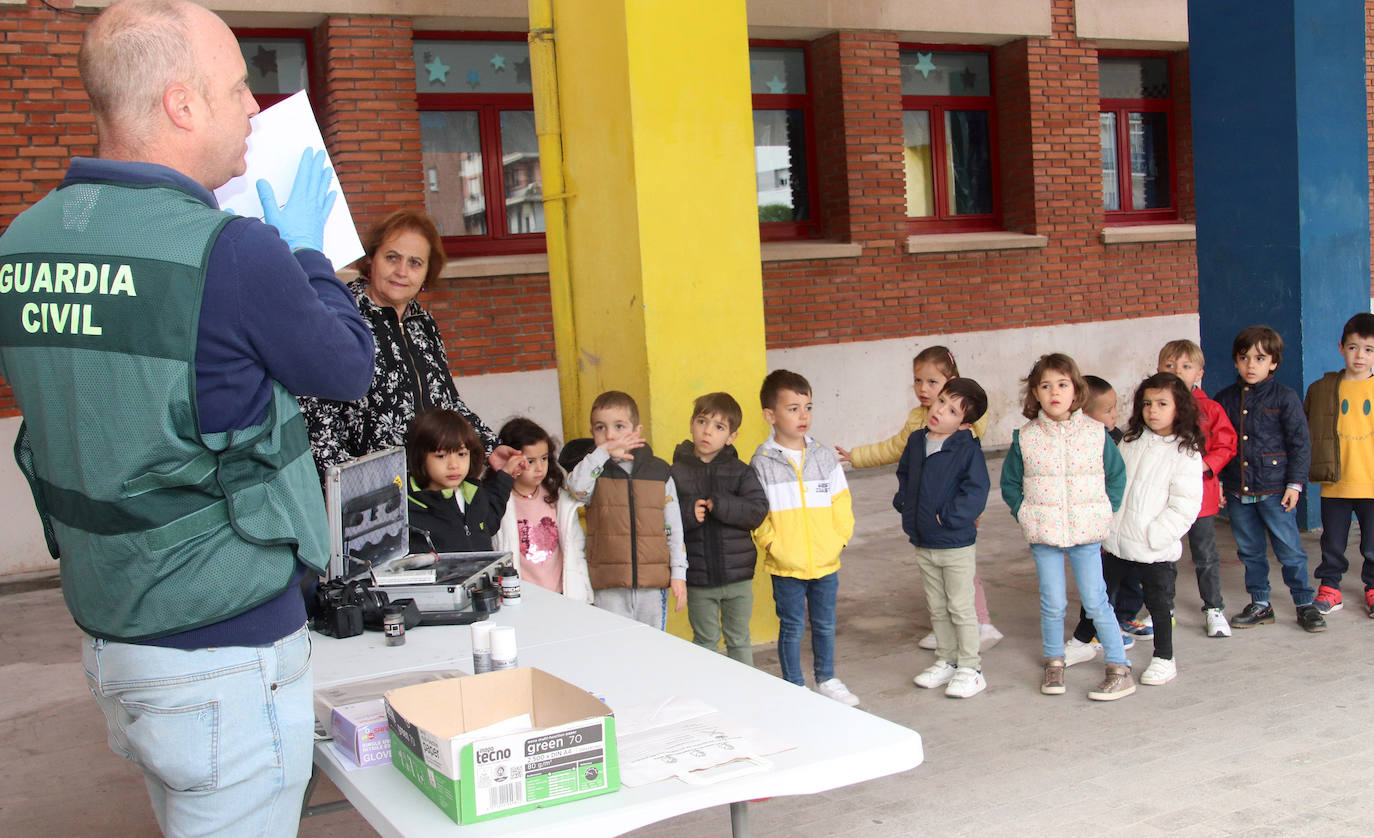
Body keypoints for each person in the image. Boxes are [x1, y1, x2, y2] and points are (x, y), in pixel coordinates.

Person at [0, 1, 375, 833]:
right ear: (181, 104)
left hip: (115, 635)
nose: (252, 109)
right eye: (239, 88)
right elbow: (349, 367)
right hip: (225, 652)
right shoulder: (232, 251)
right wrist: (308, 249)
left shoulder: (21, 242)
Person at [299, 209, 496, 478]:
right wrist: (352, 492)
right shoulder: (341, 317)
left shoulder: (423, 322)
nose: (402, 271)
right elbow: (318, 422)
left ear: (427, 272)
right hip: (372, 497)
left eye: (415, 263)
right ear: (371, 260)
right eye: (392, 258)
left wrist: (492, 447)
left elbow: (448, 404)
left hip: (431, 489)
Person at [837, 345, 1003, 650]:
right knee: (936, 572)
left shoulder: (965, 423)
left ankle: (981, 623)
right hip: (926, 509)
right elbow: (894, 448)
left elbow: (972, 429)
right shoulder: (918, 419)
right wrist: (857, 457)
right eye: (917, 381)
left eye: (932, 382)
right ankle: (944, 628)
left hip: (955, 510)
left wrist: (954, 514)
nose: (923, 389)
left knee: (961, 569)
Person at [1000, 354, 1132, 701]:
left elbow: (1116, 476)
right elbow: (1010, 483)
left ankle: (1119, 667)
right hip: (1044, 532)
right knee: (1052, 601)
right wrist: (1025, 513)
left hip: (1086, 533)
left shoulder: (1095, 434)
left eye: (1062, 384)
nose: (1054, 392)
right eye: (1045, 386)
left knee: (1095, 600)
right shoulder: (1026, 438)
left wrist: (1105, 511)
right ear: (1035, 394)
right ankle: (1054, 660)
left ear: (1076, 391)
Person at [751, 370, 860, 706]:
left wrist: (837, 539)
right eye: (793, 408)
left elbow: (842, 502)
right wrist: (774, 546)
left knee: (825, 624)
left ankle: (827, 677)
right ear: (770, 415)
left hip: (826, 561)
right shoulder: (762, 462)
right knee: (792, 626)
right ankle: (794, 685)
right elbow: (756, 513)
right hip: (787, 566)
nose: (803, 416)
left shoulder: (823, 457)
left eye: (808, 407)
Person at [1214, 326, 1324, 632]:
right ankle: (1261, 604)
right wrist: (1219, 482)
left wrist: (1295, 484)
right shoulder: (1224, 399)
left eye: (1260, 358)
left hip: (1276, 491)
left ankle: (1305, 603)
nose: (1251, 365)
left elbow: (1300, 444)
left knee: (1289, 549)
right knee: (1249, 550)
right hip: (1238, 491)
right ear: (1236, 361)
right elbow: (1218, 444)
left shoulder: (1285, 397)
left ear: (1273, 362)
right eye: (1244, 357)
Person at [1098, 374, 1205, 686]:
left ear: (1179, 408)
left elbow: (1185, 505)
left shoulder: (1185, 453)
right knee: (1101, 591)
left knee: (1159, 604)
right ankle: (1083, 639)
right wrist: (1108, 525)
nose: (1152, 411)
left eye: (1162, 404)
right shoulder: (1130, 441)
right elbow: (1114, 483)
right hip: (1118, 539)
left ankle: (1164, 657)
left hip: (1153, 546)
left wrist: (1156, 535)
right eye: (1147, 403)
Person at [561, 391, 688, 627]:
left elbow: (674, 528)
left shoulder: (659, 471)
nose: (610, 435)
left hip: (652, 584)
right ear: (592, 433)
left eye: (619, 427)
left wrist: (678, 574)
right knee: (614, 650)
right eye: (601, 428)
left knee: (652, 649)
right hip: (608, 585)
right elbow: (576, 488)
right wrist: (601, 454)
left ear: (636, 431)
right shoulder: (593, 472)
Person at [899, 378, 992, 699]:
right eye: (941, 401)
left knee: (960, 607)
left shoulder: (967, 450)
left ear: (964, 423)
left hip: (955, 543)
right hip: (923, 540)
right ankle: (946, 660)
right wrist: (905, 503)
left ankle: (970, 668)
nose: (939, 410)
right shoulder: (916, 441)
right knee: (937, 607)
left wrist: (950, 517)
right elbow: (906, 475)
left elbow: (976, 492)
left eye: (951, 410)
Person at [671, 392, 770, 665]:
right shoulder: (676, 473)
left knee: (739, 640)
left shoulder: (740, 472)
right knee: (704, 643)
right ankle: (710, 697)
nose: (707, 432)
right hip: (699, 580)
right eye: (702, 421)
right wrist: (687, 512)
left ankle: (745, 696)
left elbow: (757, 510)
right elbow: (662, 517)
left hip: (738, 579)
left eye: (719, 427)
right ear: (692, 423)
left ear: (731, 437)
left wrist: (723, 505)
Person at [1159, 339, 1238, 636]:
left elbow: (1226, 443)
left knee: (1205, 555)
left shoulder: (1210, 408)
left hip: (1200, 496)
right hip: (1164, 497)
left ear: (1199, 373)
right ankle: (1163, 609)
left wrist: (1205, 465)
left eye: (1185, 366)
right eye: (1169, 366)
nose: (1177, 371)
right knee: (1165, 553)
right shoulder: (1155, 407)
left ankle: (1214, 608)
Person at [1304, 312, 1374, 620]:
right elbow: (1306, 430)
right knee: (1332, 541)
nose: (1360, 355)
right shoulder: (1322, 390)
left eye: (1369, 349)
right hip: (1335, 482)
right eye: (1354, 347)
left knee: (1373, 544)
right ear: (1341, 347)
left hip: (1371, 483)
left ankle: (1372, 588)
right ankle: (1330, 589)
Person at [492, 417, 592, 603]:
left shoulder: (560, 499)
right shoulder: (499, 502)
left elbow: (576, 550)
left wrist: (583, 593)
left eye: (544, 458)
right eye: (530, 461)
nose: (539, 468)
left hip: (562, 597)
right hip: (520, 600)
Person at [405, 409, 525, 553]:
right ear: (420, 457)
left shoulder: (474, 493)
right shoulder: (408, 510)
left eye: (462, 454)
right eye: (441, 456)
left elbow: (490, 520)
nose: (454, 465)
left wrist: (506, 475)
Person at [1079, 375, 1141, 646]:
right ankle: (1093, 630)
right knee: (1101, 579)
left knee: (1128, 568)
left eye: (1116, 407)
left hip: (1121, 517)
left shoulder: (1117, 437)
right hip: (1098, 521)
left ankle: (1123, 617)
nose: (1116, 415)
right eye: (1108, 410)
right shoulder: (1084, 442)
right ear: (1084, 414)